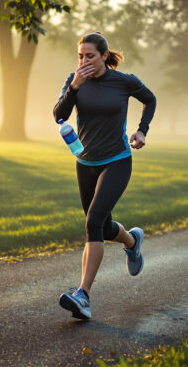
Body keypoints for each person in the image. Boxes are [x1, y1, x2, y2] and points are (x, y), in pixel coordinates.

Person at [53, 32, 156, 320]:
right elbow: (58, 114)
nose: (84, 61)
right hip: (85, 162)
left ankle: (82, 295)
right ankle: (132, 242)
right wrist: (74, 86)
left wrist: (142, 130)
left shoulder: (124, 81)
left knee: (93, 221)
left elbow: (150, 99)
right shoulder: (75, 81)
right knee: (102, 226)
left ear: (103, 55)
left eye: (90, 56)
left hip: (117, 160)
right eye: (80, 56)